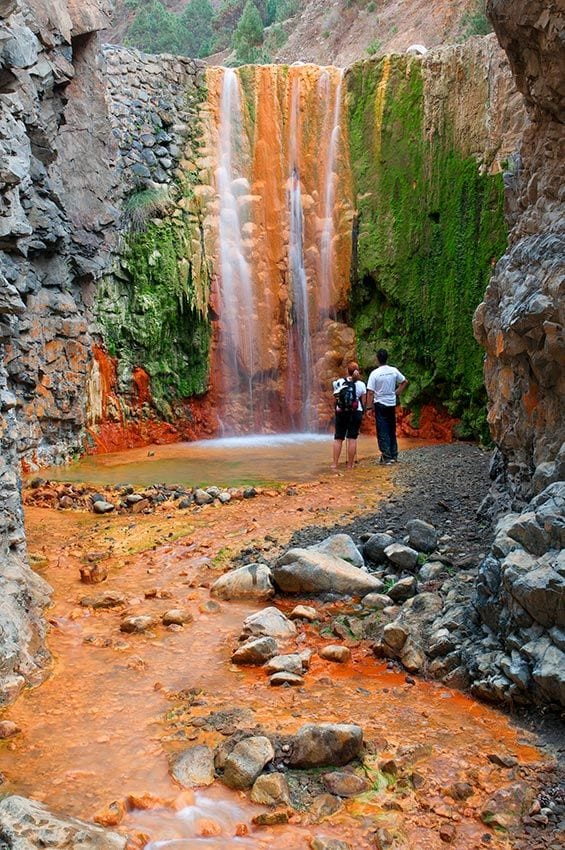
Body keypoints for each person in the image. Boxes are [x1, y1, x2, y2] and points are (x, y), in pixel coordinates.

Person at [366, 349, 408, 465]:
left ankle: (386, 457)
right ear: (387, 358)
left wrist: (369, 408)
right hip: (391, 403)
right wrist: (397, 392)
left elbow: (370, 392)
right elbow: (404, 381)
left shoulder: (375, 373)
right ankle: (394, 454)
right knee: (391, 429)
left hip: (380, 404)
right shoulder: (393, 371)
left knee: (382, 430)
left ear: (377, 359)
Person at [332, 361, 366, 470]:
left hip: (341, 412)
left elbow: (336, 396)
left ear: (347, 371)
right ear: (357, 371)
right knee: (352, 438)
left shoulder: (340, 382)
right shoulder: (361, 384)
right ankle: (350, 465)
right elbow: (363, 401)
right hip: (355, 412)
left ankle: (335, 464)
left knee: (338, 438)